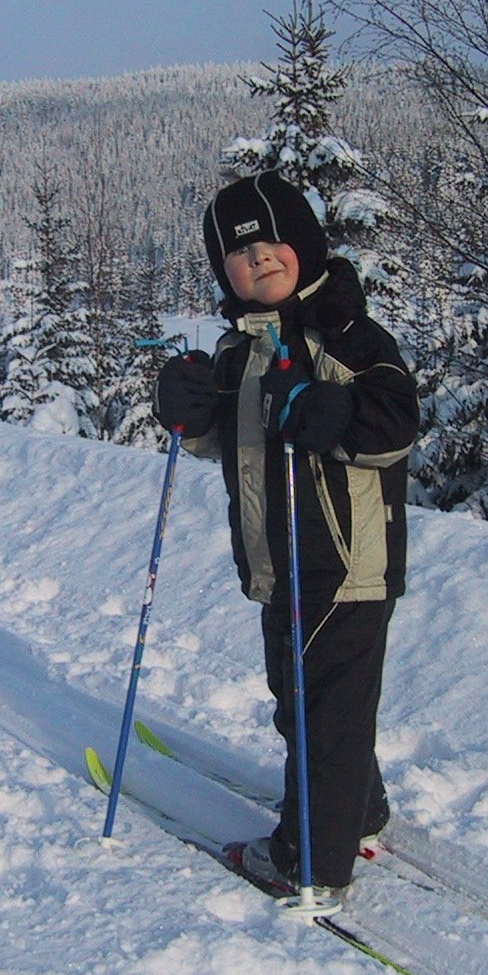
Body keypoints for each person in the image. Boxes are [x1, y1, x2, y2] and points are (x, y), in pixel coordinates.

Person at [153, 169, 419, 895]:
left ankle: (312, 863)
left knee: (323, 715)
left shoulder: (348, 336)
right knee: (303, 701)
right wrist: (189, 413)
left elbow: (396, 424)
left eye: (272, 243)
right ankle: (358, 807)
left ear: (304, 243)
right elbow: (229, 442)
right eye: (240, 254)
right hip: (278, 561)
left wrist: (335, 412)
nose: (259, 259)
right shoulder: (240, 349)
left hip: (345, 562)